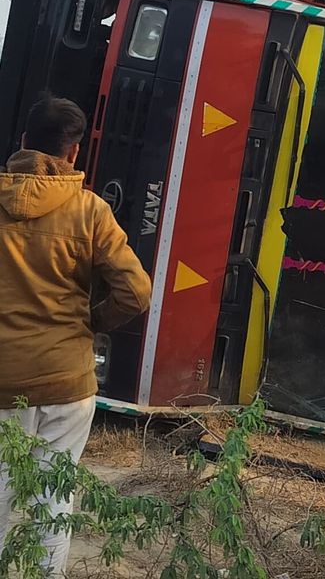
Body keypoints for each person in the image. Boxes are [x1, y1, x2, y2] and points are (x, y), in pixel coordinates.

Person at [0, 96, 151, 576]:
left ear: (23, 142)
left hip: (3, 382)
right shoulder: (91, 212)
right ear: (74, 153)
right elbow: (136, 292)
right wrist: (92, 322)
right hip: (68, 382)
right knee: (52, 501)